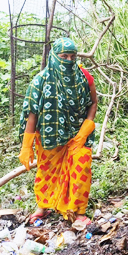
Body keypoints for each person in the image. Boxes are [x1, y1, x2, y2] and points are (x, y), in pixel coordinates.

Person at [18, 38, 98, 225]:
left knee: (82, 167)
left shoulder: (84, 76)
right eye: (64, 56)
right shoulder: (41, 80)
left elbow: (93, 103)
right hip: (49, 136)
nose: (68, 60)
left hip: (77, 136)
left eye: (72, 56)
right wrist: (26, 146)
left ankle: (78, 211)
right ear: (54, 56)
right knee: (46, 171)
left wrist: (85, 131)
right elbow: (32, 113)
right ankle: (43, 207)